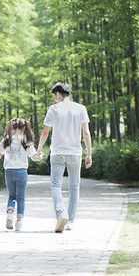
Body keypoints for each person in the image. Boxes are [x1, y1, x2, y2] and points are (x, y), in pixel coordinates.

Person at [37, 82, 92, 233]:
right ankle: (71, 221)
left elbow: (45, 132)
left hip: (57, 152)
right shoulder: (81, 108)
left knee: (56, 185)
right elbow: (86, 133)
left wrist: (39, 150)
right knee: (74, 187)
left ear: (58, 94)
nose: (55, 98)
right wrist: (89, 154)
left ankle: (61, 213)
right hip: (75, 152)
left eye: (55, 95)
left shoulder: (53, 109)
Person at [0, 118, 41, 231]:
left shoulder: (7, 140)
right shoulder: (26, 141)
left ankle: (10, 214)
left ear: (12, 127)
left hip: (9, 172)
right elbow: (33, 158)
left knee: (12, 196)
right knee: (20, 198)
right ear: (24, 128)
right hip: (21, 172)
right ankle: (19, 223)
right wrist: (39, 157)